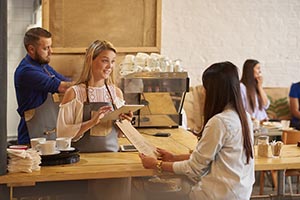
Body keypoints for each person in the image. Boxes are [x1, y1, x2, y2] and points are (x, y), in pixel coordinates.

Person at [139, 61, 254, 200]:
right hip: (239, 193)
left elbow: (194, 168)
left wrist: (157, 164)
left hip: (216, 195)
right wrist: (174, 158)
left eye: (205, 87)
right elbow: (213, 158)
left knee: (146, 191)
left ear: (214, 91)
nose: (203, 91)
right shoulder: (244, 117)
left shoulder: (219, 122)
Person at [56, 40, 132, 153]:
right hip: (81, 158)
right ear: (90, 60)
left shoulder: (116, 93)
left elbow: (119, 135)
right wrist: (92, 122)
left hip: (112, 158)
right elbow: (62, 134)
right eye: (105, 61)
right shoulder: (74, 93)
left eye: (112, 61)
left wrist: (127, 123)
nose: (110, 66)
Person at [14, 27, 72, 145]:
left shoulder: (43, 66)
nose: (51, 51)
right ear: (31, 49)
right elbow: (63, 87)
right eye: (46, 48)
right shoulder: (27, 71)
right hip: (31, 137)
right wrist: (91, 81)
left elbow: (66, 81)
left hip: (45, 131)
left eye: (50, 47)